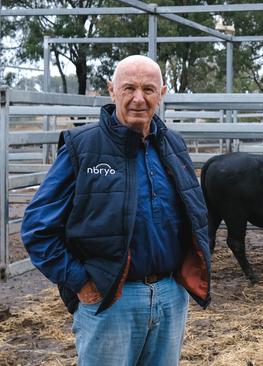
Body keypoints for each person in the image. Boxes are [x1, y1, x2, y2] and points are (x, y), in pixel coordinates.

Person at [21, 55, 212, 365]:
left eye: (149, 89)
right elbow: (37, 229)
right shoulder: (82, 147)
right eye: (129, 88)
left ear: (162, 94)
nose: (139, 98)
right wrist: (80, 281)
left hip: (169, 296)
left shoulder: (174, 146)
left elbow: (194, 217)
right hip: (112, 300)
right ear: (111, 91)